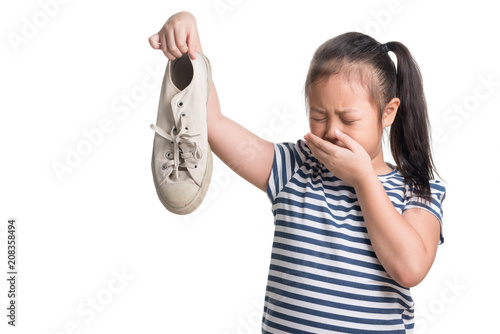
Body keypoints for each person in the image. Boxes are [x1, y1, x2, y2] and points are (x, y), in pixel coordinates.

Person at [149, 11, 446, 334]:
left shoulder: (416, 190)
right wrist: (191, 50)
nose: (332, 131)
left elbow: (410, 268)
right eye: (318, 116)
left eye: (348, 120)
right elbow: (215, 125)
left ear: (388, 113)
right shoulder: (295, 167)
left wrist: (363, 179)